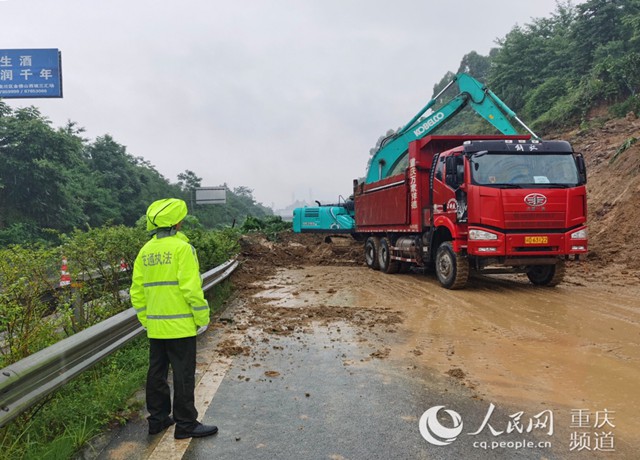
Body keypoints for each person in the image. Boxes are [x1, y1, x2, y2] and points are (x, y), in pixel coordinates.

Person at [130, 198, 218, 439]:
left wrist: (147, 320)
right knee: (182, 375)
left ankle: (157, 420)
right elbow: (191, 289)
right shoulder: (182, 249)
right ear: (177, 223)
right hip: (180, 326)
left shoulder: (145, 251)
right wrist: (203, 317)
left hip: (156, 326)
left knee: (156, 372)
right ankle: (186, 424)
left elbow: (137, 292)